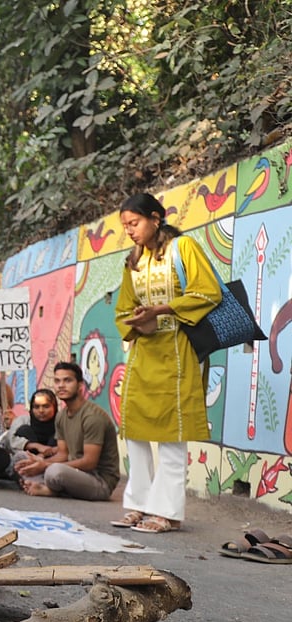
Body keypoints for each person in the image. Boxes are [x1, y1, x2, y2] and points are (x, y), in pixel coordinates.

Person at [113, 192, 219, 532]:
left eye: (135, 223)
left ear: (156, 218)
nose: (130, 230)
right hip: (144, 351)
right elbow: (123, 309)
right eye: (125, 225)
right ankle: (139, 505)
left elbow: (208, 292)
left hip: (179, 350)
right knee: (137, 434)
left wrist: (161, 310)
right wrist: (137, 323)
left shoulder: (183, 248)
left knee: (173, 435)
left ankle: (168, 513)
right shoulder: (133, 260)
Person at [14, 362, 121, 501]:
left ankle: (51, 490)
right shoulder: (61, 415)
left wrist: (45, 465)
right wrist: (39, 460)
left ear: (80, 385)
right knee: (21, 458)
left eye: (67, 380)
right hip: (72, 472)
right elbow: (63, 454)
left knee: (54, 472)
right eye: (57, 381)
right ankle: (48, 486)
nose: (61, 385)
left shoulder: (93, 417)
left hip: (98, 481)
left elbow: (89, 462)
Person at [9, 389, 59, 462]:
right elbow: (11, 441)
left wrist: (43, 455)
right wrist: (36, 446)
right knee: (24, 430)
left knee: (58, 434)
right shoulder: (23, 420)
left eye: (46, 406)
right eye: (36, 407)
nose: (41, 411)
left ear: (54, 407)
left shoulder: (62, 422)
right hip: (28, 460)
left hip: (53, 462)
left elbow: (68, 446)